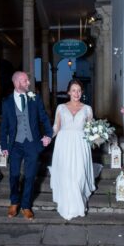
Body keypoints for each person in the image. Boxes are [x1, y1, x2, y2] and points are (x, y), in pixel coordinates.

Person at [0, 71, 52, 220]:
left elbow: (44, 118)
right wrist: (4, 146)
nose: (28, 83)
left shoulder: (35, 99)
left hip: (32, 143)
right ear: (17, 83)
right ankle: (14, 202)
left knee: (30, 176)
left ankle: (26, 206)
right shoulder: (7, 102)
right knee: (14, 175)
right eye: (25, 81)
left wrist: (48, 135)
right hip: (15, 145)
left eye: (28, 80)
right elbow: (4, 127)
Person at [50, 79, 96, 220]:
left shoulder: (87, 108)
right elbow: (56, 128)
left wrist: (100, 135)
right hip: (63, 144)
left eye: (79, 90)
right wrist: (46, 138)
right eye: (73, 90)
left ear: (82, 92)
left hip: (81, 144)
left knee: (79, 174)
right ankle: (68, 204)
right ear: (68, 92)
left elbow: (91, 129)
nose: (76, 93)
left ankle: (78, 203)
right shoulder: (61, 107)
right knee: (66, 174)